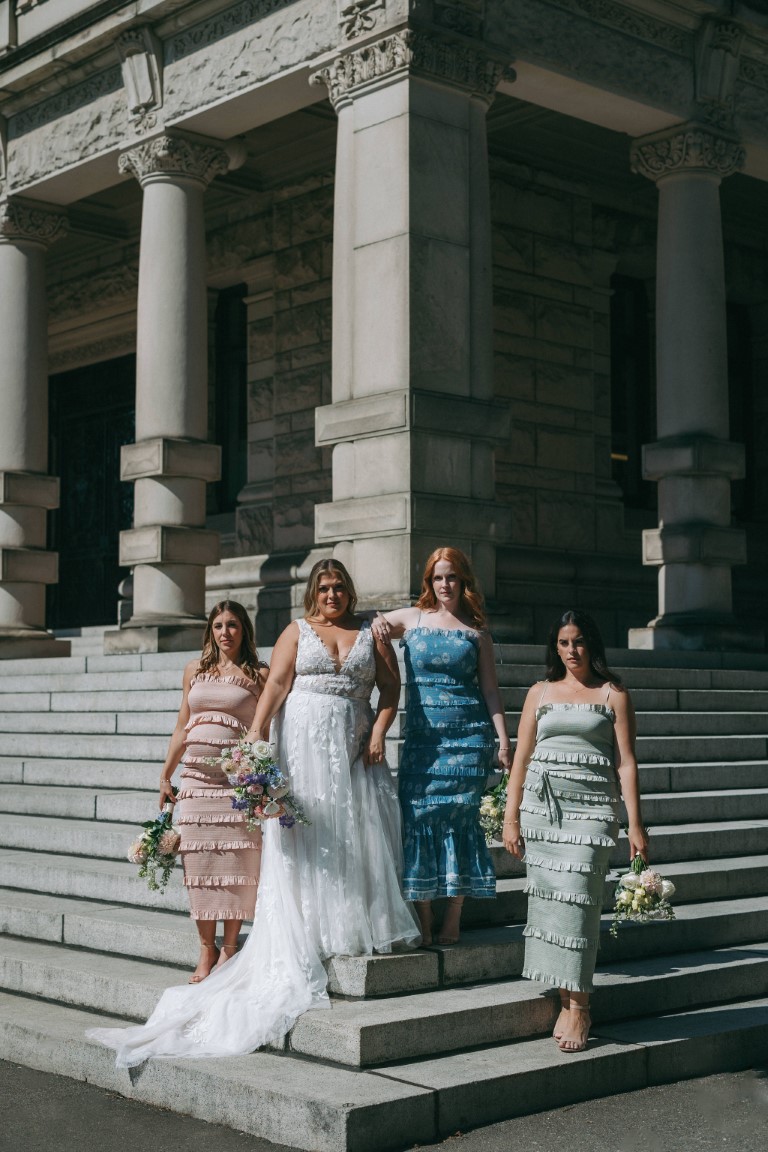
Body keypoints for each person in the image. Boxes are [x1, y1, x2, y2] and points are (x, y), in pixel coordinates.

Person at [87, 559, 418, 1067]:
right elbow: (277, 689)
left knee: (351, 833)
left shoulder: (371, 634)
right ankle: (292, 928)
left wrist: (378, 731)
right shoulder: (296, 631)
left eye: (339, 587)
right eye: (324, 587)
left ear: (350, 591)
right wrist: (258, 740)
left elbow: (391, 692)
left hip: (351, 744)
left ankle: (345, 924)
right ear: (313, 593)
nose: (332, 595)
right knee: (306, 835)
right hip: (302, 746)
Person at [502, 609, 648, 1054]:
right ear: (555, 647)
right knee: (552, 905)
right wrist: (511, 816)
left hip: (592, 813)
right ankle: (567, 997)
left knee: (581, 901)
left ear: (592, 645)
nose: (571, 651)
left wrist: (635, 823)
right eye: (564, 643)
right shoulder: (539, 692)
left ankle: (581, 1006)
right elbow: (522, 758)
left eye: (579, 642)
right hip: (543, 812)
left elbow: (625, 762)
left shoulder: (613, 694)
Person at [372, 546, 510, 947]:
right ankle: (424, 915)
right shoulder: (414, 618)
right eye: (437, 577)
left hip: (469, 742)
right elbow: (372, 623)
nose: (445, 584)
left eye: (451, 577)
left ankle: (453, 918)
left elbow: (489, 688)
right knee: (418, 821)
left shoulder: (476, 631)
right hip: (423, 743)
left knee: (460, 825)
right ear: (428, 582)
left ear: (463, 580)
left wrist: (502, 739)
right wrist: (377, 623)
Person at [158, 600, 267, 982]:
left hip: (237, 786)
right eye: (219, 625)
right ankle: (206, 950)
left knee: (235, 869)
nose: (225, 632)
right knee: (200, 868)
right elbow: (181, 727)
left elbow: (265, 732)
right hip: (194, 785)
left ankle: (230, 949)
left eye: (233, 625)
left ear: (244, 630)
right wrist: (165, 776)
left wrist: (260, 782)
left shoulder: (259, 673)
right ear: (210, 631)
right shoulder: (194, 670)